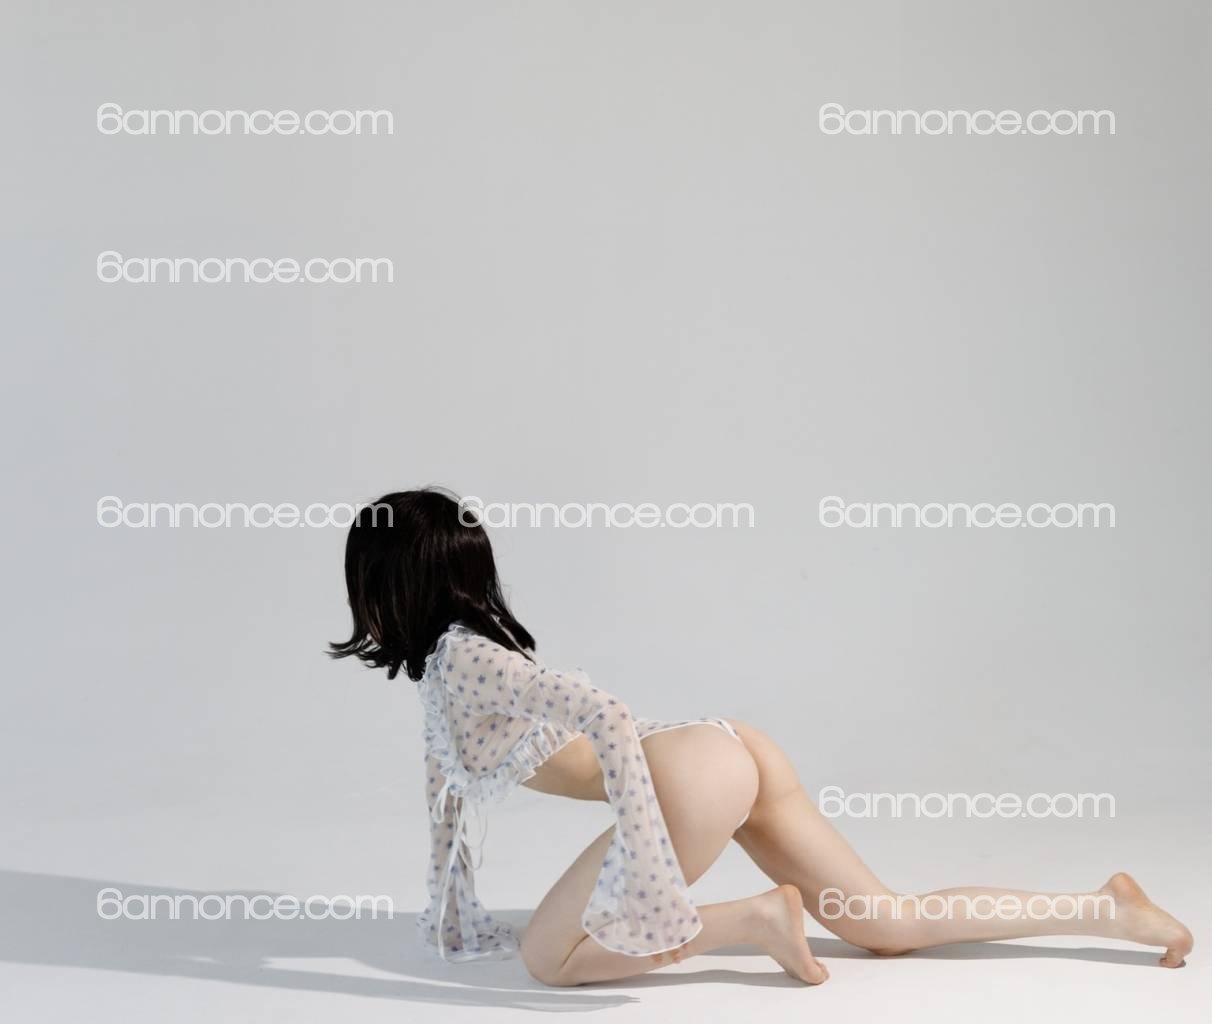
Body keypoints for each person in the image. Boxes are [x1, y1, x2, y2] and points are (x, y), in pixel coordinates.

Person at [329, 487, 1193, 988]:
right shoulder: (452, 664)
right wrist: (449, 914)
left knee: (548, 958)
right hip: (718, 752)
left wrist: (648, 867)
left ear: (390, 584)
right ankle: (1103, 907)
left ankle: (753, 919)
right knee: (885, 923)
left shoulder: (464, 659)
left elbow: (607, 714)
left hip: (686, 774)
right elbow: (443, 787)